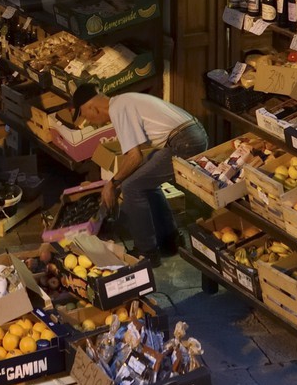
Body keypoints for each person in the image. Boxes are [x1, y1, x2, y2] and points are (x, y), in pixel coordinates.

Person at [73, 85, 208, 263]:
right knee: (143, 181)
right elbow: (138, 157)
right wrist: (119, 180)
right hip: (189, 136)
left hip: (185, 142)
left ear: (92, 107)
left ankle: (147, 253)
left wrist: (112, 183)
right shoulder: (123, 101)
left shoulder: (118, 109)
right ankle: (170, 241)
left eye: (83, 115)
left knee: (132, 187)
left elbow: (134, 157)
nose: (87, 121)